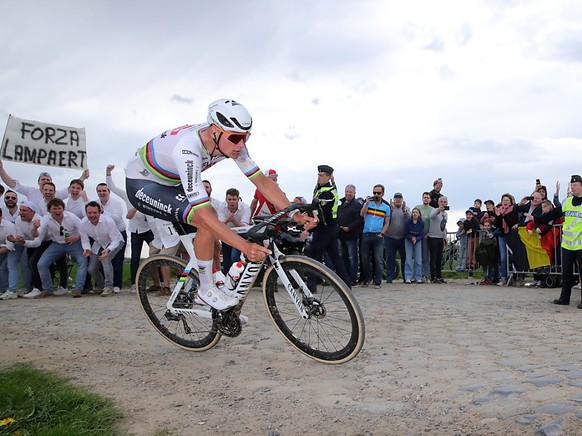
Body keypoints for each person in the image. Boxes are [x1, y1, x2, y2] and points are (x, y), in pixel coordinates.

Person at [124, 98, 317, 310]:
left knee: (213, 239)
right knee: (206, 219)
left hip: (172, 181)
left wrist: (294, 213)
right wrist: (243, 245)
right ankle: (205, 291)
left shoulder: (230, 143)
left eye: (246, 137)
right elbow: (205, 216)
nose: (241, 144)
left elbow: (262, 182)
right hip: (143, 184)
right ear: (215, 131)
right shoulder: (188, 150)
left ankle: (217, 283)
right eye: (235, 138)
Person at [18, 198, 87, 298]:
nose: (57, 211)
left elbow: (83, 231)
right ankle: (47, 289)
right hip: (57, 244)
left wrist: (74, 238)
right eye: (54, 209)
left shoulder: (71, 217)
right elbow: (37, 235)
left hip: (73, 243)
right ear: (50, 210)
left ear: (63, 209)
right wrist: (35, 228)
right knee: (41, 264)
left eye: (59, 208)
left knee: (82, 261)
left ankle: (78, 288)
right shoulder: (46, 219)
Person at [530, 175, 582, 307]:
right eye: (571, 185)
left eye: (575, 185)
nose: (572, 187)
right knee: (566, 272)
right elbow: (553, 214)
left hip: (581, 244)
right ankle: (564, 298)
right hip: (567, 244)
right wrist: (537, 219)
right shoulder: (567, 202)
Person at [302, 165, 351, 289]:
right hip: (330, 228)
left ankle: (311, 286)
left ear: (329, 177)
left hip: (325, 228)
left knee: (313, 256)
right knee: (335, 257)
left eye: (322, 175)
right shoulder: (322, 189)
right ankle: (346, 284)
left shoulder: (327, 192)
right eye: (318, 175)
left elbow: (321, 213)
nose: (319, 177)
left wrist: (309, 229)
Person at [0, 161, 88, 213]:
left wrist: (83, 177)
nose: (45, 181)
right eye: (43, 179)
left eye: (48, 180)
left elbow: (73, 187)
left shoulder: (58, 193)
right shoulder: (30, 191)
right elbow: (11, 184)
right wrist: (1, 169)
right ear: (38, 182)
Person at [79, 201, 124, 298]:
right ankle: (100, 286)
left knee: (105, 259)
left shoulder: (108, 221)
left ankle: (109, 287)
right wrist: (86, 248)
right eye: (89, 213)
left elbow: (115, 239)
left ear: (100, 212)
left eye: (94, 213)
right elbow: (84, 239)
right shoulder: (82, 223)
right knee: (91, 269)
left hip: (115, 242)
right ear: (86, 213)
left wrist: (108, 249)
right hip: (99, 243)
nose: (92, 215)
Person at [96, 183, 127, 293]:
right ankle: (104, 284)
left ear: (109, 192)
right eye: (99, 191)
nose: (102, 193)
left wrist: (104, 212)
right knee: (102, 259)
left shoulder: (116, 203)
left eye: (104, 191)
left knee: (118, 260)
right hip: (104, 235)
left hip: (119, 233)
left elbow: (117, 218)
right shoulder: (95, 203)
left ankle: (117, 285)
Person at [358, 184, 390, 288]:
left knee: (378, 259)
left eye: (378, 193)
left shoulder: (386, 207)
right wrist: (366, 204)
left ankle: (378, 281)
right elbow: (362, 214)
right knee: (364, 258)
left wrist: (382, 233)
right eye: (374, 193)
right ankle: (367, 279)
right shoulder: (369, 204)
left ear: (383, 194)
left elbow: (387, 222)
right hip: (366, 234)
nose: (376, 195)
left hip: (377, 235)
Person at [7, 201, 40, 297]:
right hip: (28, 244)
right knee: (25, 263)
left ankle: (36, 287)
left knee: (34, 263)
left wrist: (23, 241)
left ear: (32, 212)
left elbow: (38, 241)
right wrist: (15, 240)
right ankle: (26, 288)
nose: (21, 212)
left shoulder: (38, 220)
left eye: (24, 210)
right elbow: (20, 235)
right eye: (20, 210)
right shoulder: (18, 219)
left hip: (42, 243)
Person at [217, 188, 251, 275]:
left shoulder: (245, 208)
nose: (232, 202)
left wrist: (233, 221)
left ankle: (238, 276)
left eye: (234, 199)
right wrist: (228, 220)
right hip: (226, 233)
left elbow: (245, 227)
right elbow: (219, 225)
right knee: (226, 258)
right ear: (226, 200)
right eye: (229, 199)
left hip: (241, 234)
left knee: (234, 256)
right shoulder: (221, 206)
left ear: (238, 199)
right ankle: (227, 278)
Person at [338, 184, 362, 286]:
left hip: (351, 235)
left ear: (354, 193)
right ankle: (345, 277)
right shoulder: (342, 204)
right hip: (341, 235)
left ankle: (353, 278)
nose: (348, 194)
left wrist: (349, 227)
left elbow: (359, 220)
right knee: (343, 257)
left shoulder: (357, 205)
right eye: (347, 192)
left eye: (350, 192)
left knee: (353, 258)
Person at [493, 194, 519, 286]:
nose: (505, 202)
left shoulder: (513, 210)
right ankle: (503, 277)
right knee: (503, 257)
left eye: (507, 200)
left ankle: (516, 277)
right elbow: (496, 224)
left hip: (511, 235)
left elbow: (512, 222)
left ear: (511, 202)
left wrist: (504, 215)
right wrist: (499, 216)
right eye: (503, 200)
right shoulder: (499, 211)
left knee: (513, 256)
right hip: (502, 235)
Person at [384, 192, 409, 283]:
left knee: (404, 258)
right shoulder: (388, 209)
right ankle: (389, 277)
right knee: (390, 258)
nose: (398, 199)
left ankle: (406, 277)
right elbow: (385, 221)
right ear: (393, 199)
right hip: (390, 237)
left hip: (403, 238)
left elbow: (409, 222)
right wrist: (390, 210)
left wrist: (405, 211)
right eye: (396, 198)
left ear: (402, 199)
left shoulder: (407, 209)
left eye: (399, 198)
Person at [427, 196, 448, 284]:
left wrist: (445, 237)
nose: (443, 203)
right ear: (439, 203)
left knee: (440, 258)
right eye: (441, 202)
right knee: (433, 258)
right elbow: (431, 216)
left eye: (444, 202)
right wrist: (438, 210)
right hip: (433, 237)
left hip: (440, 237)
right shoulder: (434, 210)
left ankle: (439, 276)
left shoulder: (446, 214)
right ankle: (433, 276)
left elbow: (443, 226)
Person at [415, 192, 434, 283]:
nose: (426, 199)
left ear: (430, 199)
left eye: (428, 197)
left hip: (427, 236)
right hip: (417, 235)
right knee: (418, 257)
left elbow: (433, 223)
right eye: (424, 197)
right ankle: (418, 275)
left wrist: (428, 233)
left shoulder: (432, 210)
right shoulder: (418, 207)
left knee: (426, 256)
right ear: (422, 198)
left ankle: (426, 275)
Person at [0, 208, 18, 299]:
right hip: (2, 247)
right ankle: (3, 289)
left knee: (6, 266)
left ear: (1, 216)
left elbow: (10, 247)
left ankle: (10, 290)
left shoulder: (9, 226)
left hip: (15, 247)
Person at [403, 207, 424, 284]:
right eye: (413, 212)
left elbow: (422, 234)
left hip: (418, 240)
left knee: (418, 260)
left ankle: (418, 277)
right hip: (408, 240)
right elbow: (405, 233)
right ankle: (408, 277)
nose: (415, 214)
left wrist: (416, 239)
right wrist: (412, 238)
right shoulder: (408, 222)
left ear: (419, 214)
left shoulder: (421, 222)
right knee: (408, 259)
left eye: (416, 212)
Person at [476, 219, 498, 285]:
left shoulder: (492, 233)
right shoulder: (482, 232)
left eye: (488, 226)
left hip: (492, 251)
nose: (486, 227)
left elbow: (492, 242)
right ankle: (487, 278)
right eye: (485, 225)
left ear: (491, 226)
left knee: (492, 266)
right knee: (485, 266)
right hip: (485, 252)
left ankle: (491, 278)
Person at [463, 209, 480, 284]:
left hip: (476, 237)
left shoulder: (475, 220)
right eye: (467, 215)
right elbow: (466, 229)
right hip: (470, 238)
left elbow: (477, 228)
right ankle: (469, 266)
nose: (468, 216)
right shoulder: (465, 222)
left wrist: (472, 230)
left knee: (475, 252)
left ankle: (474, 264)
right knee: (469, 252)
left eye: (470, 214)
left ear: (472, 215)